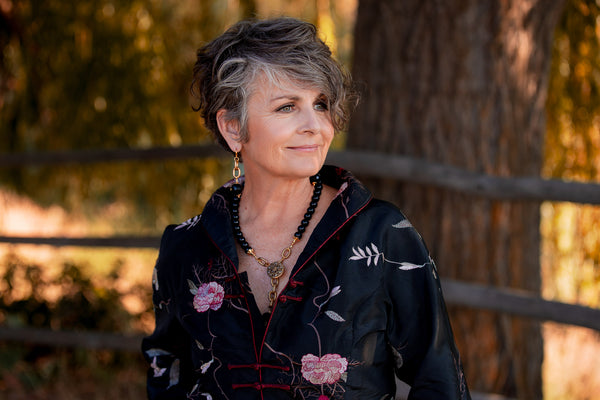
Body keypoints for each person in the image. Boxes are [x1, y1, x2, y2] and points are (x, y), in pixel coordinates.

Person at [142, 17, 470, 400]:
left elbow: (441, 383)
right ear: (233, 128)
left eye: (321, 104)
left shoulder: (382, 236)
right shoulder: (184, 248)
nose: (316, 125)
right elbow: (167, 370)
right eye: (287, 107)